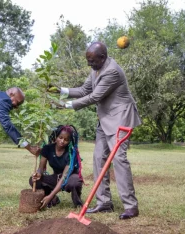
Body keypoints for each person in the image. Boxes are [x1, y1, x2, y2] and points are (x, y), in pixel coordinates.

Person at [49, 42, 142, 219]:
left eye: (91, 61)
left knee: (119, 160)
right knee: (99, 158)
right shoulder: (96, 68)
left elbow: (95, 96)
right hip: (105, 119)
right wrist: (60, 90)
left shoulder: (112, 71)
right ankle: (104, 202)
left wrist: (64, 105)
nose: (88, 64)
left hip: (120, 118)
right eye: (87, 60)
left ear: (102, 57)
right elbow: (85, 90)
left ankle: (131, 206)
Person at [30, 125, 83, 209]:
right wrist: (38, 173)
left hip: (69, 178)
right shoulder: (47, 148)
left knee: (75, 181)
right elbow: (41, 168)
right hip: (56, 177)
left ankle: (78, 204)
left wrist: (50, 196)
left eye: (66, 139)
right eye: (60, 137)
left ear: (69, 141)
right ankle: (54, 199)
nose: (62, 141)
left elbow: (64, 178)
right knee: (34, 180)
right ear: (56, 136)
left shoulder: (71, 153)